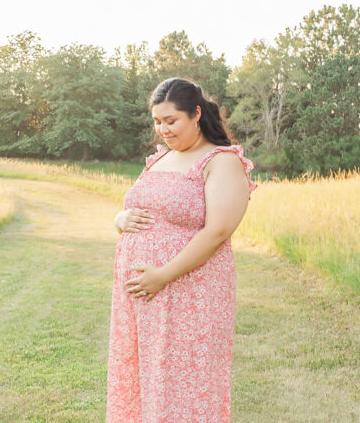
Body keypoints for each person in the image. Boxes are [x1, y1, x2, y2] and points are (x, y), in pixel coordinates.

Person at [106, 77, 258, 422]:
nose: (163, 129)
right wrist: (120, 218)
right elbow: (141, 208)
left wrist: (162, 275)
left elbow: (218, 230)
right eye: (157, 121)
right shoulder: (160, 159)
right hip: (143, 297)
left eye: (171, 120)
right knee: (143, 378)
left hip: (189, 292)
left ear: (196, 114)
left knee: (184, 382)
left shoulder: (221, 161)